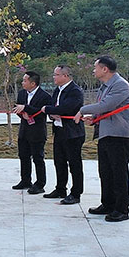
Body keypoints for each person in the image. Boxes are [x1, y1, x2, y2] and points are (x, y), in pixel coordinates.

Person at [76, 55, 129, 222]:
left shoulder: (120, 85)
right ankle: (108, 204)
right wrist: (94, 118)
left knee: (119, 173)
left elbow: (106, 105)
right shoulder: (105, 86)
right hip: (105, 133)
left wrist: (82, 110)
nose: (93, 71)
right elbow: (104, 110)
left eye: (96, 68)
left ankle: (121, 209)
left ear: (105, 69)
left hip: (118, 135)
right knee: (106, 172)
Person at [42, 65, 85, 205]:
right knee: (59, 162)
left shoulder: (75, 91)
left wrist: (47, 109)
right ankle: (60, 189)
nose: (54, 77)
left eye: (56, 74)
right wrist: (52, 113)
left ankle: (76, 193)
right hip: (59, 131)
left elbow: (65, 108)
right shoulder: (57, 90)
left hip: (73, 133)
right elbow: (55, 108)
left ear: (65, 76)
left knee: (74, 164)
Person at [11, 71, 53, 195]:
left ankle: (40, 184)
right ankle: (25, 180)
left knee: (38, 158)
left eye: (25, 80)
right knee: (23, 156)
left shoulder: (45, 96)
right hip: (24, 130)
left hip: (37, 131)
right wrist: (22, 114)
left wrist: (26, 109)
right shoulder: (22, 93)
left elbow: (42, 112)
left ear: (33, 83)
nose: (22, 83)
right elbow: (17, 107)